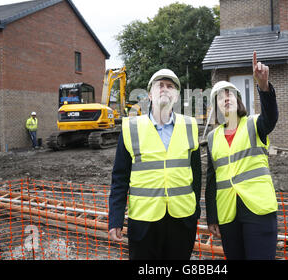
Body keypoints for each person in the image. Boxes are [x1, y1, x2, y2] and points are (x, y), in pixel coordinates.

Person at [108, 69, 202, 260]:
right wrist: (115, 219)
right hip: (144, 221)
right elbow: (119, 178)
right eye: (160, 85)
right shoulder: (131, 128)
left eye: (170, 86)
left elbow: (197, 175)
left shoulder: (190, 126)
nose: (165, 89)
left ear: (175, 96)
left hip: (182, 219)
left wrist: (195, 213)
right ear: (150, 95)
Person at [205, 51, 279, 260]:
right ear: (217, 107)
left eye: (229, 94)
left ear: (238, 100)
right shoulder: (212, 138)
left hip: (258, 209)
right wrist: (212, 216)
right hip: (228, 213)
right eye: (220, 97)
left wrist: (264, 87)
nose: (225, 98)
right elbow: (212, 180)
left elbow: (271, 117)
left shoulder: (255, 124)